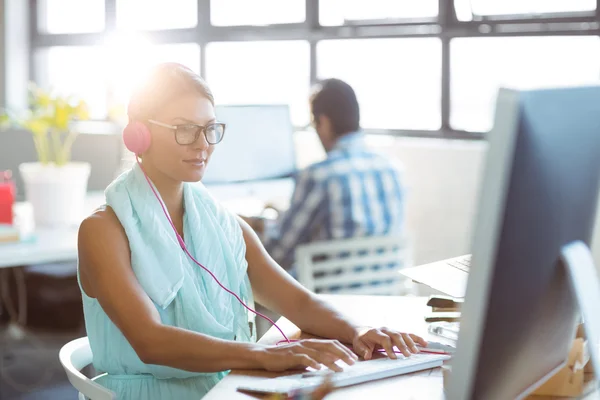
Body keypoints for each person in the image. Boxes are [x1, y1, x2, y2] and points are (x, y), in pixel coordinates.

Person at [76, 63, 425, 400]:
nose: (203, 144)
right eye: (184, 129)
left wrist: (358, 331)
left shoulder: (225, 224)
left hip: (227, 387)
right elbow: (150, 341)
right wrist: (264, 356)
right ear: (140, 135)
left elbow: (297, 301)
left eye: (210, 128)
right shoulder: (103, 230)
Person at [256, 78, 405, 273]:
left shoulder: (319, 175)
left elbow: (278, 254)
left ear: (324, 122)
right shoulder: (392, 169)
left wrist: (248, 228)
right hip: (386, 293)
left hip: (326, 299)